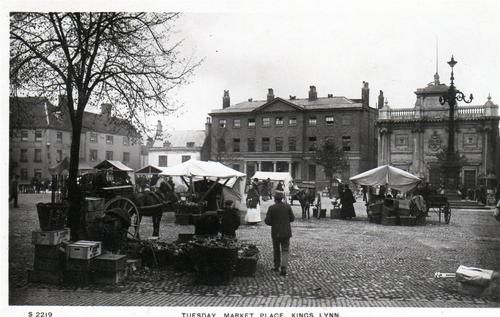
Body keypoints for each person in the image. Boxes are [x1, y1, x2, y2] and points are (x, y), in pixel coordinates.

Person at [265, 191, 295, 276]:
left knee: (276, 250)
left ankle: (276, 266)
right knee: (285, 250)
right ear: (282, 198)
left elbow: (267, 221)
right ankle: (284, 267)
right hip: (286, 232)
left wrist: (273, 223)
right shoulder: (287, 207)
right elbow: (292, 219)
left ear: (275, 198)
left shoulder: (272, 208)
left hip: (276, 232)